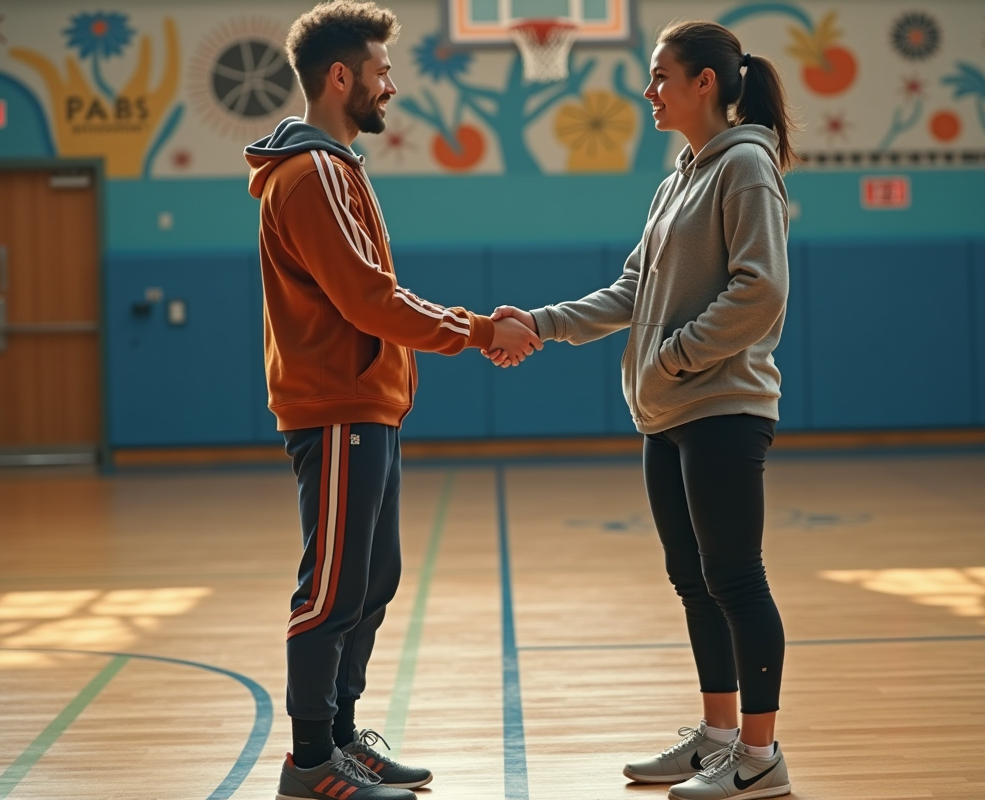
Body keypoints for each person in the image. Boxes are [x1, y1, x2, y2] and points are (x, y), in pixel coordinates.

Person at [487, 19, 796, 800]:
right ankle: (718, 739)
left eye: (661, 75)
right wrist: (542, 324)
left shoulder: (746, 166)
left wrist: (677, 353)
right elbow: (633, 289)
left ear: (704, 82)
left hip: (721, 405)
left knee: (736, 578)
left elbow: (761, 289)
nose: (649, 90)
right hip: (668, 414)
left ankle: (761, 758)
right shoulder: (676, 180)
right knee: (693, 579)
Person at [245, 3, 542, 799]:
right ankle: (311, 761)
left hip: (367, 408)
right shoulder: (313, 175)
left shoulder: (335, 167)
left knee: (372, 581)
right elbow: (371, 301)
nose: (392, 86)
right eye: (382, 72)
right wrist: (482, 331)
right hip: (338, 409)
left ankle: (342, 740)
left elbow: (370, 298)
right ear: (340, 77)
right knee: (332, 589)